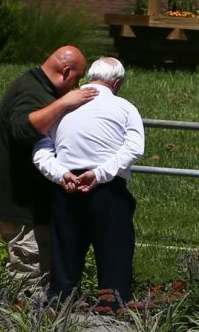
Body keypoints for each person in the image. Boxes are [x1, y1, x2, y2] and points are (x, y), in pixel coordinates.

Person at [0, 45, 97, 285]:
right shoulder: (31, 90)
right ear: (65, 70)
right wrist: (64, 103)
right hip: (22, 206)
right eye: (77, 78)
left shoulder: (36, 85)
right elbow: (22, 129)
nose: (76, 86)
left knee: (34, 268)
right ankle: (21, 320)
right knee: (29, 272)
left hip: (26, 204)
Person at [32, 55, 145, 304]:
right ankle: (111, 307)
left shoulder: (62, 104)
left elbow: (41, 150)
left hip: (66, 188)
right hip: (108, 190)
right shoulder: (125, 108)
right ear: (116, 83)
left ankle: (61, 308)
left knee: (64, 256)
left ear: (90, 77)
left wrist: (61, 174)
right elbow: (135, 148)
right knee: (114, 253)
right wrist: (100, 173)